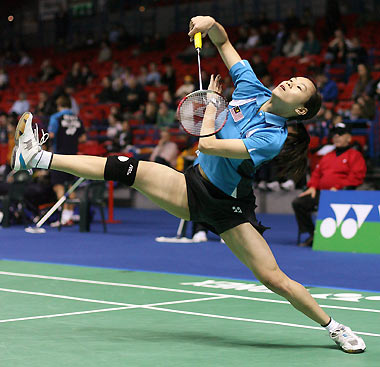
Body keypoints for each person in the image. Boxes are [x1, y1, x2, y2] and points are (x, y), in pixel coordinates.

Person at [11, 15, 366, 353]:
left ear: (301, 109)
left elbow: (208, 144)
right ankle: (38, 158)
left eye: (300, 87)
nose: (291, 81)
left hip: (227, 207)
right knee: (127, 168)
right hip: (194, 185)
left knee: (274, 279)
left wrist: (211, 106)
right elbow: (224, 42)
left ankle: (334, 327)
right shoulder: (252, 87)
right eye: (293, 78)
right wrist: (210, 25)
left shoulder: (271, 136)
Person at [292, 123, 366, 247]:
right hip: (322, 193)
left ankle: (328, 237)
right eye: (335, 134)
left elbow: (356, 177)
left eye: (341, 134)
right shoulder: (327, 156)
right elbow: (316, 173)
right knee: (298, 203)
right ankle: (313, 235)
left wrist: (338, 187)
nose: (336, 136)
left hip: (341, 194)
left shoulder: (355, 155)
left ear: (349, 137)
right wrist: (312, 186)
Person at [47, 95, 86, 226]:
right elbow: (83, 138)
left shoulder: (56, 117)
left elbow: (51, 135)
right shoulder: (77, 118)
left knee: (59, 186)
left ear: (59, 105)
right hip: (73, 157)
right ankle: (70, 215)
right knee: (71, 186)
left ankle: (64, 217)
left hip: (59, 157)